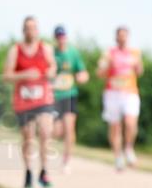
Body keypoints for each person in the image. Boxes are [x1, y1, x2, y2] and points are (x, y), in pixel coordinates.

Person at [3, 16, 57, 188]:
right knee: (28, 136)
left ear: (37, 30)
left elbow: (53, 68)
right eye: (27, 27)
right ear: (23, 30)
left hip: (43, 98)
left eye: (33, 27)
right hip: (24, 100)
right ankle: (28, 171)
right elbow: (6, 76)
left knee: (46, 131)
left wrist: (50, 73)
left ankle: (44, 171)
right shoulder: (15, 50)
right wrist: (24, 75)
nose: (30, 31)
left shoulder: (46, 48)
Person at [97, 26, 143, 171]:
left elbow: (140, 71)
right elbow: (100, 73)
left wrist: (137, 65)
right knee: (115, 127)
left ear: (128, 37)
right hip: (112, 93)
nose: (122, 38)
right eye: (120, 35)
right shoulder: (109, 53)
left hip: (130, 92)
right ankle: (118, 157)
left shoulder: (135, 53)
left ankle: (128, 148)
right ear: (116, 37)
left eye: (125, 35)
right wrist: (107, 65)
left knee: (130, 123)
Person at [50, 25, 89, 173]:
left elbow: (83, 72)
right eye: (58, 36)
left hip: (70, 95)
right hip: (54, 96)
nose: (61, 38)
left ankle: (66, 161)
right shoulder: (51, 53)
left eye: (63, 36)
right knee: (56, 131)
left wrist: (82, 77)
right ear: (55, 38)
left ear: (66, 37)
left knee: (69, 128)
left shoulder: (73, 52)